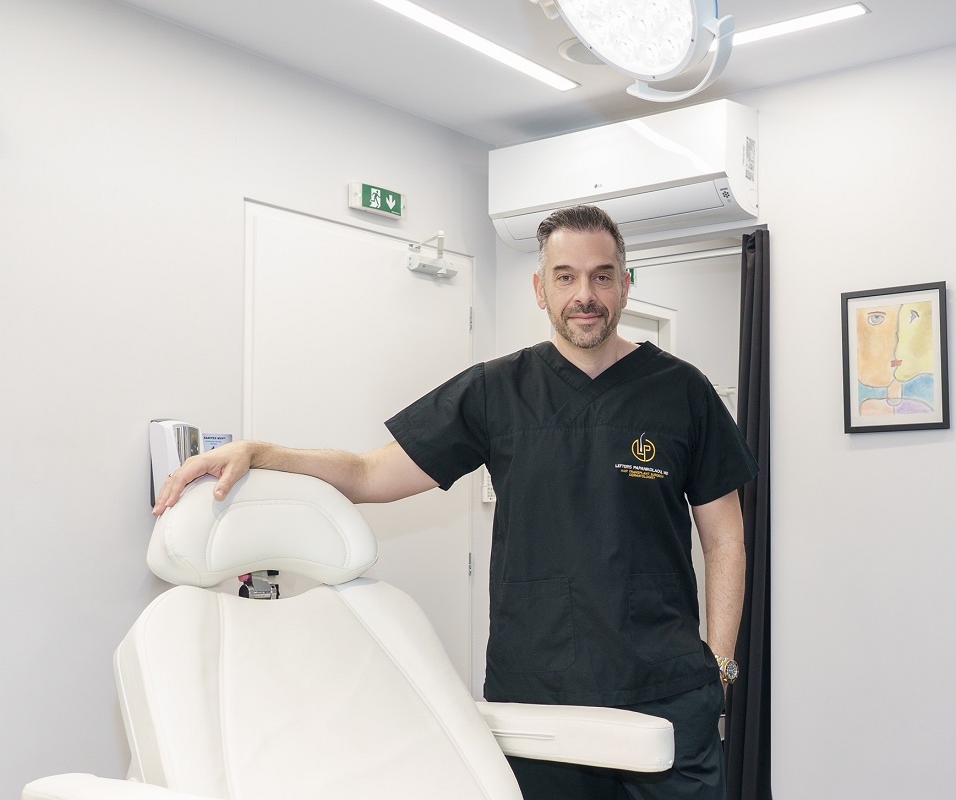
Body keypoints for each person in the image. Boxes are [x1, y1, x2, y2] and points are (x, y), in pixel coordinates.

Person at [154, 204, 757, 800]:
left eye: (602, 276)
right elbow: (369, 473)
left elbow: (725, 536)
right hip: (540, 699)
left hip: (667, 692)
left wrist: (721, 663)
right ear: (540, 289)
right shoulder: (497, 390)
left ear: (625, 284)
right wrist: (261, 452)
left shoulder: (683, 391)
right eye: (565, 276)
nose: (585, 295)